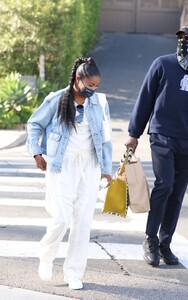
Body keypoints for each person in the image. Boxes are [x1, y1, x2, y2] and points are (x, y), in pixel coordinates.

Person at [125, 24, 188, 266]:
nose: (184, 40)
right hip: (162, 136)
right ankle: (150, 239)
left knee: (177, 193)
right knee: (164, 186)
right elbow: (145, 98)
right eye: (181, 36)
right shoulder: (162, 64)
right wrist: (134, 133)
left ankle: (165, 243)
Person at [26, 57, 112, 289]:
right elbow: (34, 124)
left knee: (82, 221)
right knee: (61, 218)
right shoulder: (57, 99)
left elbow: (105, 139)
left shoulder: (100, 103)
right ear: (78, 79)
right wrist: (37, 153)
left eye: (96, 86)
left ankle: (74, 273)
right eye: (90, 85)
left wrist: (106, 169)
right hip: (61, 164)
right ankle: (46, 255)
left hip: (89, 165)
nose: (94, 90)